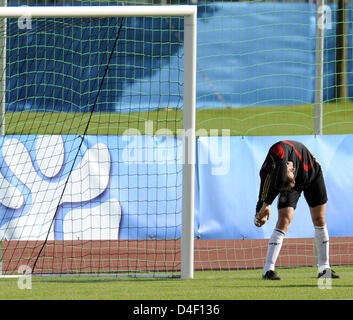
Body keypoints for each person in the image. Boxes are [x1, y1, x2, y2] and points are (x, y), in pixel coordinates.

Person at [254, 140, 340, 280]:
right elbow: (265, 189)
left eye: (290, 171)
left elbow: (280, 179)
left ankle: (324, 268)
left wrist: (266, 205)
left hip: (312, 174)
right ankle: (268, 270)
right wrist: (260, 211)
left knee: (319, 219)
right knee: (284, 219)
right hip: (292, 184)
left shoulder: (279, 151)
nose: (292, 170)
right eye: (290, 171)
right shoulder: (269, 172)